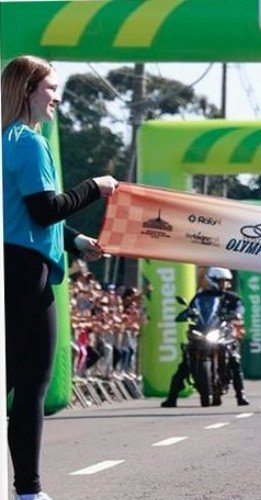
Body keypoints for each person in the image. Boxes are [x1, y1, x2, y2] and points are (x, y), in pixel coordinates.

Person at [2, 55, 118, 500]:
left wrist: (75, 241)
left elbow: (18, 212)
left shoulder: (4, 140)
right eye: (51, 88)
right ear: (28, 90)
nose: (57, 97)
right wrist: (94, 186)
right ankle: (28, 491)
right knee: (32, 382)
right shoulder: (29, 143)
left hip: (8, 264)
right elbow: (44, 208)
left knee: (8, 379)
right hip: (25, 272)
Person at [161, 267, 249, 407]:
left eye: (226, 281)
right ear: (212, 281)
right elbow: (191, 308)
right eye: (221, 281)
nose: (225, 284)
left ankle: (241, 395)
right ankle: (171, 398)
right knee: (185, 363)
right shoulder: (200, 297)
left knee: (234, 359)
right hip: (202, 331)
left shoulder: (231, 298)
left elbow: (240, 307)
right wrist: (185, 314)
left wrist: (236, 314)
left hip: (221, 333)